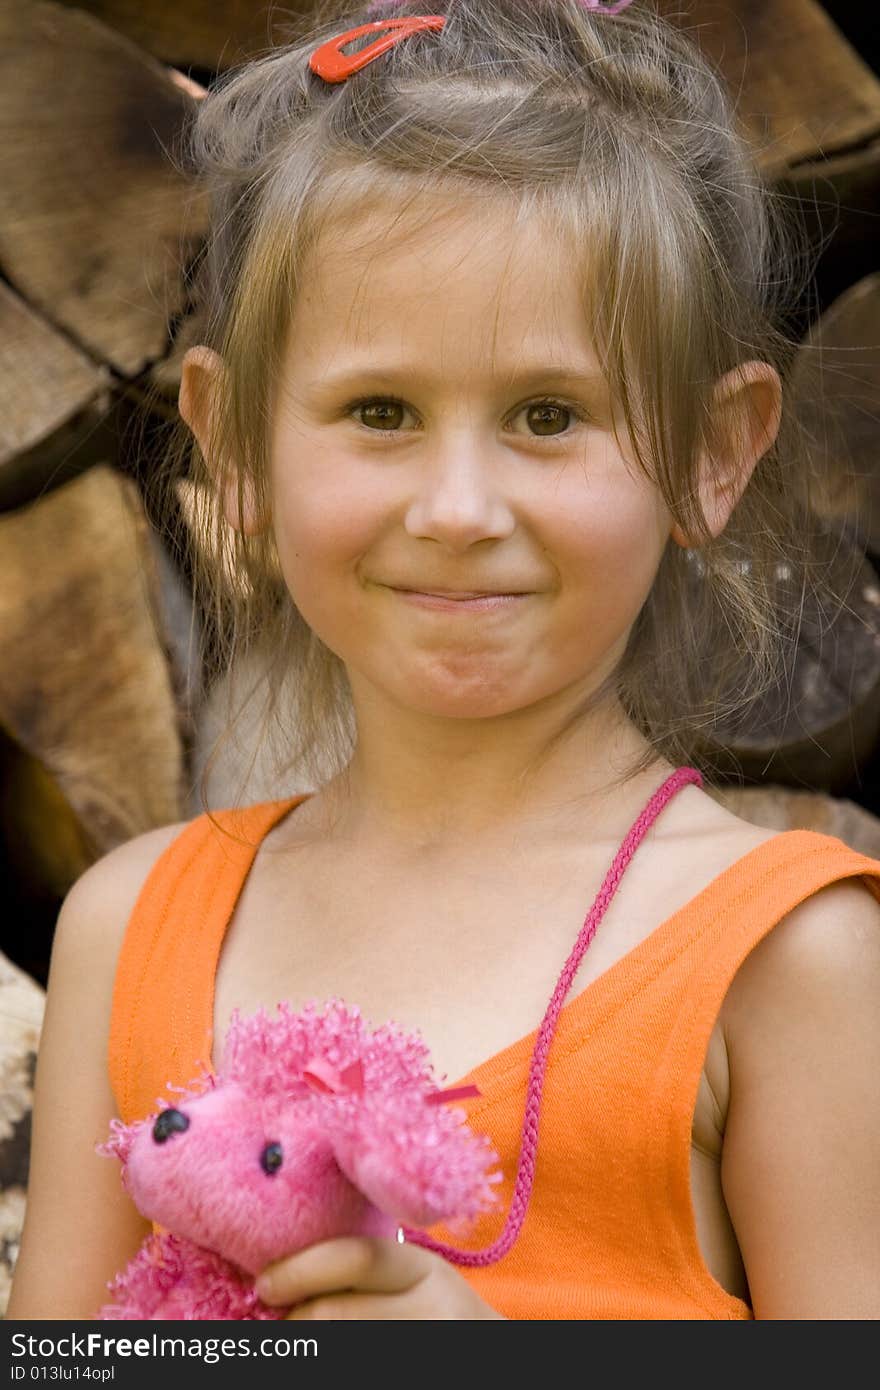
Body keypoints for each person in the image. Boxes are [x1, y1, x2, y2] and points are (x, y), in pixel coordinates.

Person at [8, 0, 880, 1321]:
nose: (459, 506)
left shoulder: (791, 953)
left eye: (548, 414)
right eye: (380, 412)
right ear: (235, 444)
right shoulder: (129, 925)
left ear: (716, 449)